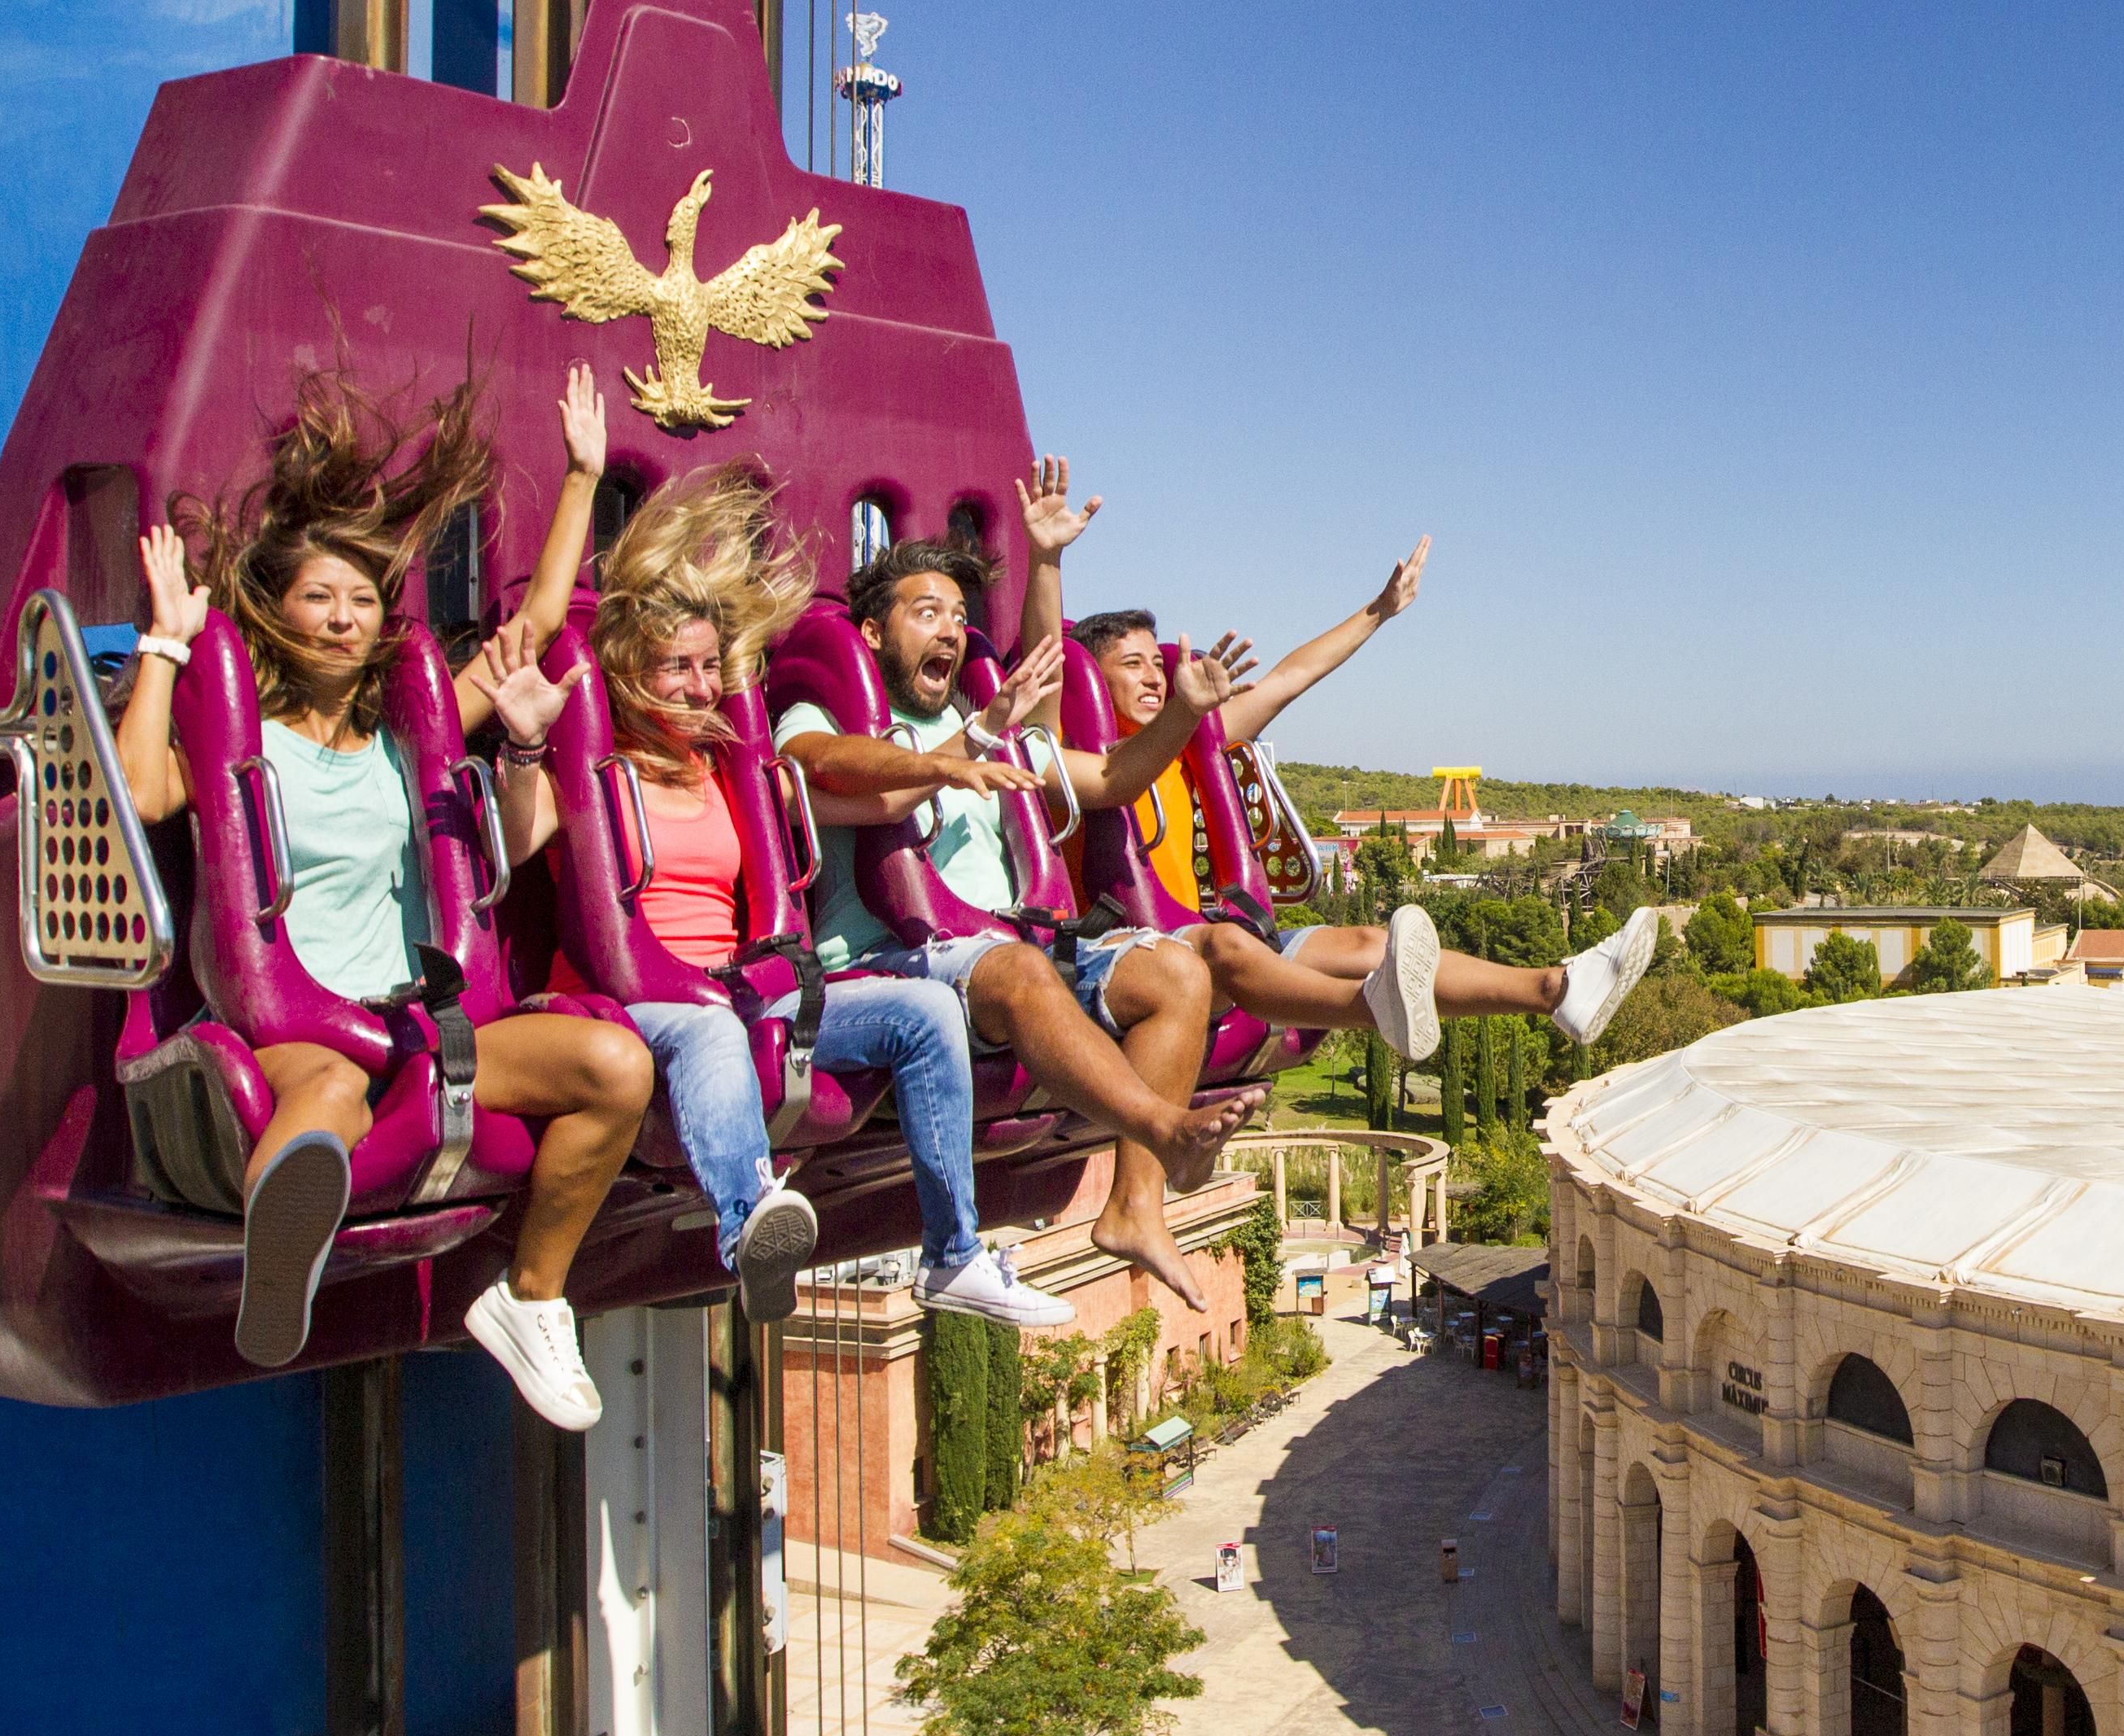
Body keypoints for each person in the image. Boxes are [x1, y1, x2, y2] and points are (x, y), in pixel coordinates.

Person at [486, 461, 1261, 1333]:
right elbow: (847, 774)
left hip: (750, 985)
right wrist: (521, 745)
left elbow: (1048, 760)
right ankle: (753, 1224)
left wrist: (1005, 725)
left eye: (709, 668)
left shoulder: (725, 772)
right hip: (661, 1002)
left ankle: (955, 1254)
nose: (700, 687)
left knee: (934, 1013)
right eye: (676, 669)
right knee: (740, 1021)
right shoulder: (625, 769)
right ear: (630, 673)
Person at [112, 363, 650, 1428]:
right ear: (277, 610)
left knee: (614, 1065)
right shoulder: (243, 747)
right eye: (322, 597)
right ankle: (281, 1276)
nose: (347, 619)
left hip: (423, 1020)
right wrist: (167, 643)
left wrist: (584, 477)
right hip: (310, 1026)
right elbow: (136, 791)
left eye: (363, 601)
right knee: (324, 1105)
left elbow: (532, 627)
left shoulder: (416, 731)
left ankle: (532, 1299)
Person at [772, 460, 1274, 1319]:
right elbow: (837, 775)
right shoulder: (825, 713)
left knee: (1176, 974)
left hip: (1012, 950)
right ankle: (1164, 1128)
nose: (953, 632)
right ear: (869, 632)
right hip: (893, 963)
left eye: (961, 618)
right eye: (927, 612)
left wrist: (1180, 711)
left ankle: (1135, 1206)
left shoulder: (991, 721)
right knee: (1013, 971)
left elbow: (1110, 773)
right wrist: (955, 752)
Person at [1055, 525, 1662, 1058]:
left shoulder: (1188, 741)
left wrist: (1380, 610)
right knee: (1229, 947)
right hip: (1142, 959)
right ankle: (1374, 1008)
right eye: (1132, 665)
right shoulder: (1072, 755)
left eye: (1156, 665)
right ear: (1089, 679)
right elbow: (1045, 659)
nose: (1155, 677)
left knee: (1371, 942)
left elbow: (1291, 677)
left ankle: (1556, 990)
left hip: (1205, 939)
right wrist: (1047, 558)